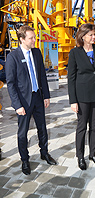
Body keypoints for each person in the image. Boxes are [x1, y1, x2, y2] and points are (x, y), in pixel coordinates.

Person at [6, 25, 57, 175]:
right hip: (23, 102)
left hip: (38, 98)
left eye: (34, 37)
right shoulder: (13, 57)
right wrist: (17, 105)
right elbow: (11, 84)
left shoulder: (37, 52)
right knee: (23, 133)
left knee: (42, 127)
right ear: (22, 39)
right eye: (31, 38)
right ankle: (25, 160)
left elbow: (42, 75)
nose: (34, 40)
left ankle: (44, 152)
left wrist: (46, 95)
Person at [68, 23, 95, 170]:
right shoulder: (75, 53)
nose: (94, 37)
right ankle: (80, 156)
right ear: (83, 36)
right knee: (81, 127)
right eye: (91, 34)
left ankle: (93, 154)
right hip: (82, 97)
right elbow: (71, 78)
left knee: (94, 127)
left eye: (94, 34)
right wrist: (73, 100)